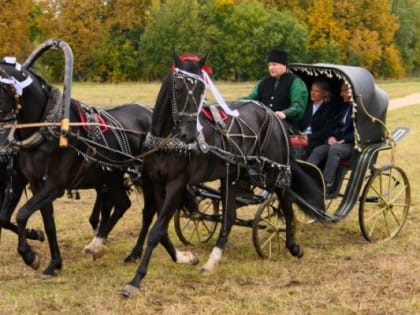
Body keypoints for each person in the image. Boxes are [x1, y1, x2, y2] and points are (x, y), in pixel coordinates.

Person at [241, 48, 308, 134]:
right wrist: (236, 103)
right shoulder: (263, 83)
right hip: (264, 122)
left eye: (274, 64)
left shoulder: (296, 82)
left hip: (288, 125)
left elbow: (298, 107)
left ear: (284, 65)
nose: (271, 68)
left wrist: (285, 113)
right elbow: (251, 98)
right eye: (269, 65)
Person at [306, 82, 354, 194]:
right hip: (337, 141)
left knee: (335, 150)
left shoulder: (359, 109)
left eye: (344, 91)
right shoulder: (343, 106)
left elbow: (360, 131)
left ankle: (326, 183)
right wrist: (331, 136)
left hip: (351, 144)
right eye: (341, 91)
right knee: (318, 150)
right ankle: (306, 178)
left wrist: (345, 140)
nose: (341, 94)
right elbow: (332, 125)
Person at [303, 78, 335, 156]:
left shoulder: (328, 108)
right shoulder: (307, 105)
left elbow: (326, 130)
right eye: (312, 90)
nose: (312, 93)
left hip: (316, 140)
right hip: (302, 135)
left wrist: (309, 137)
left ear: (324, 93)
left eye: (316, 91)